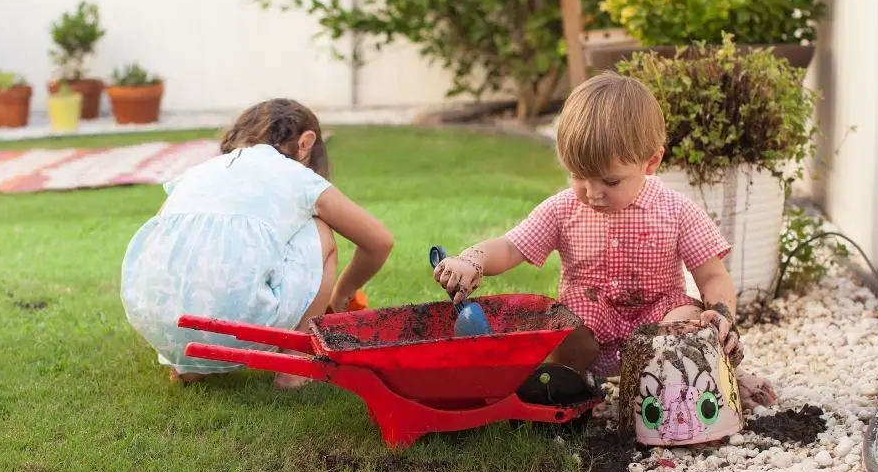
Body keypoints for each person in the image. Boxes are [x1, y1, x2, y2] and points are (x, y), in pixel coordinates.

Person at [432, 73, 776, 410]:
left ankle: (709, 380)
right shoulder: (563, 209)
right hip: (590, 322)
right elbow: (511, 247)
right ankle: (568, 389)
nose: (592, 192)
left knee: (689, 322)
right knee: (557, 326)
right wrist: (471, 260)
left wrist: (719, 312)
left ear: (651, 162)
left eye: (610, 181)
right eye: (579, 176)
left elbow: (712, 276)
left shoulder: (676, 210)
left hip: (657, 315)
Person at [120, 98, 394, 388]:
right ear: (306, 142)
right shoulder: (297, 176)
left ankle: (189, 366)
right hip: (237, 325)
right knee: (320, 229)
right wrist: (341, 294)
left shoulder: (199, 172)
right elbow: (379, 241)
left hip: (155, 319)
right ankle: (294, 367)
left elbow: (161, 238)